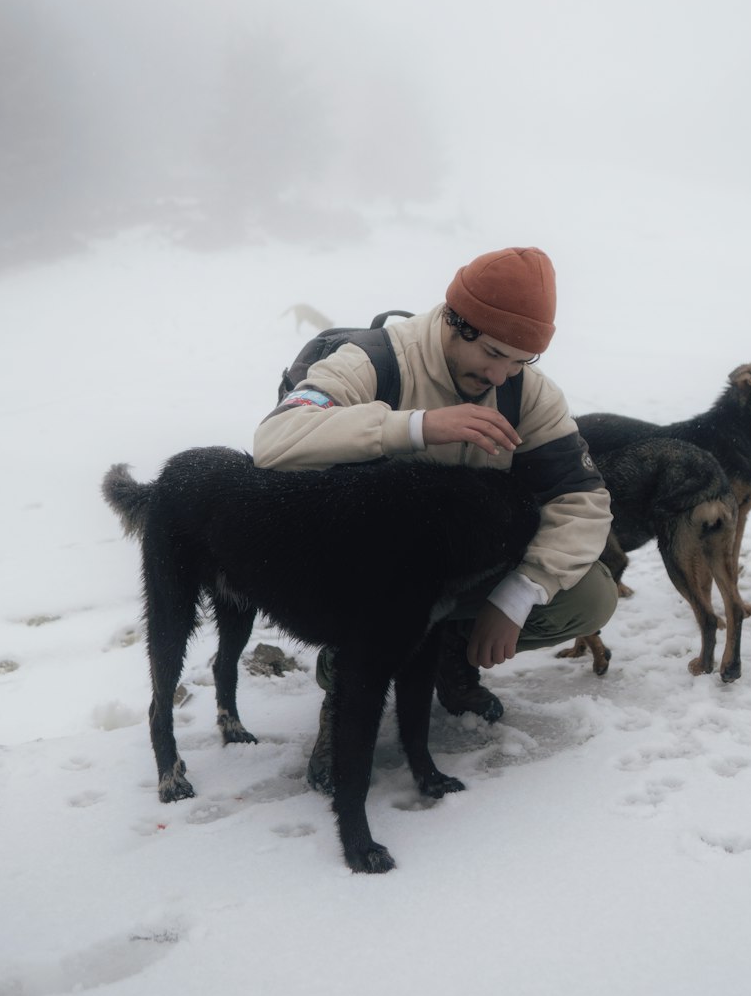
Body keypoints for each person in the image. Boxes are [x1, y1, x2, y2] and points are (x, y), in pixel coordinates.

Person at [253, 245, 617, 791]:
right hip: (356, 575)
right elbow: (274, 441)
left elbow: (583, 498)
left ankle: (449, 654)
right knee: (368, 592)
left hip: (454, 571)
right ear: (455, 320)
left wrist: (519, 594)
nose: (502, 375)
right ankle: (344, 692)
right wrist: (417, 426)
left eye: (521, 360)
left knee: (590, 595)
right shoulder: (370, 361)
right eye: (494, 353)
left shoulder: (525, 392)